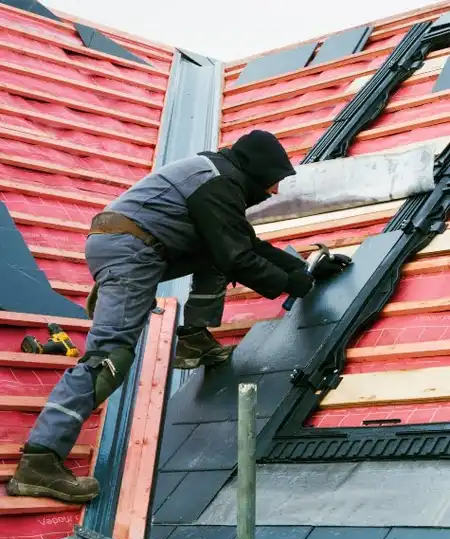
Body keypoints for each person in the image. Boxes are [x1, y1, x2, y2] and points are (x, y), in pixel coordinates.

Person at [7, 130, 352, 504]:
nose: (273, 192)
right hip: (132, 252)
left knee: (217, 249)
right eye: (272, 183)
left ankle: (190, 337)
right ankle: (40, 461)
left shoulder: (217, 174)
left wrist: (303, 268)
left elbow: (242, 243)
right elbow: (238, 257)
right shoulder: (219, 184)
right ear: (256, 172)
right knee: (110, 358)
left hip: (136, 244)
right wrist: (295, 285)